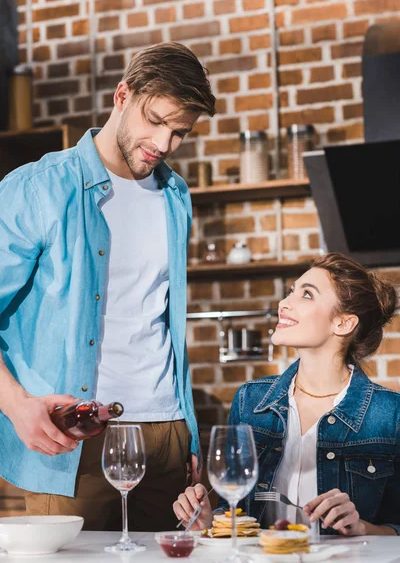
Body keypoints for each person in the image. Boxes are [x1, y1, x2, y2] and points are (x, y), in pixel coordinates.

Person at [0, 42, 216, 531]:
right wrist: (15, 405)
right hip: (75, 440)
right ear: (123, 94)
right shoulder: (38, 188)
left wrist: (189, 440)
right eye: (156, 121)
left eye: (179, 132)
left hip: (168, 435)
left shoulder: (175, 194)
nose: (163, 144)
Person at [174, 253, 400, 536]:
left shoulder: (390, 415)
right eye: (292, 291)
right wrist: (208, 521)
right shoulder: (250, 402)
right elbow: (234, 514)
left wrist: (361, 528)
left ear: (343, 323)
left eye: (307, 295)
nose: (283, 303)